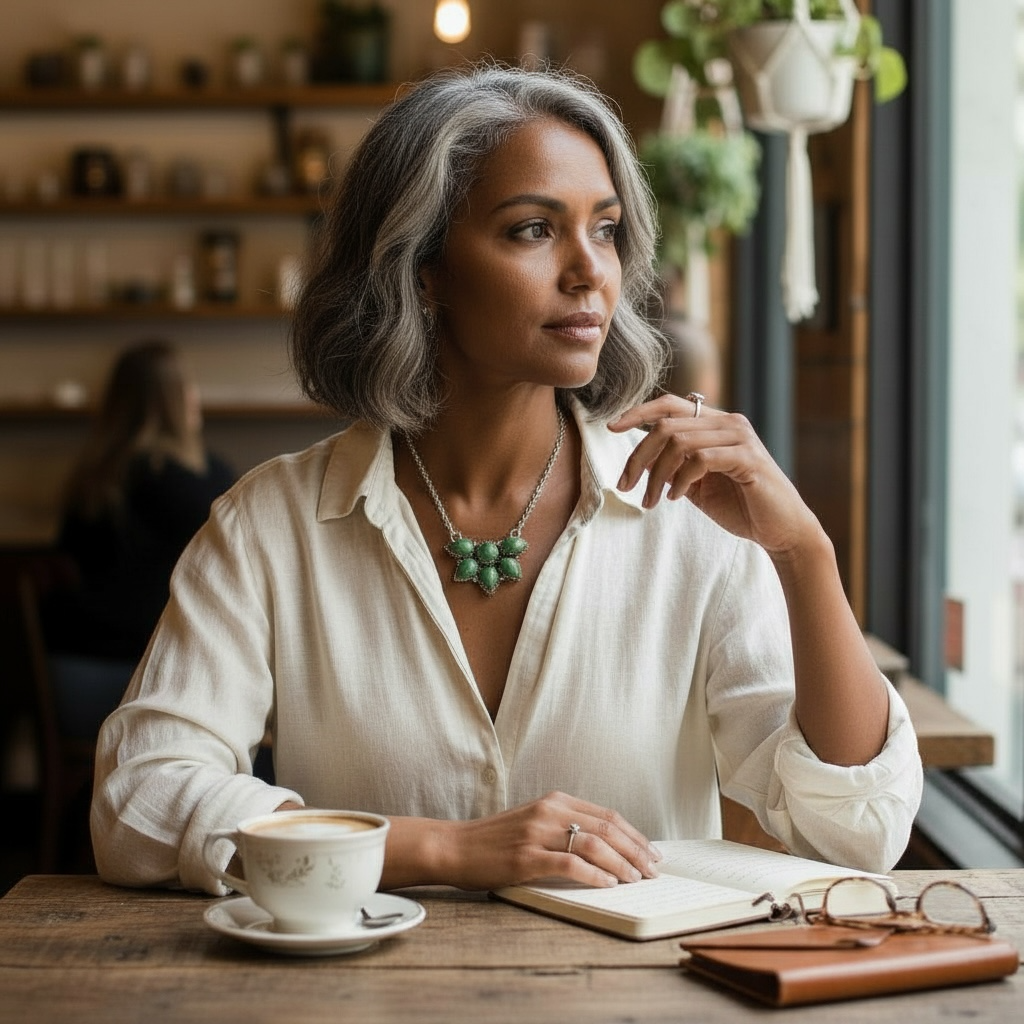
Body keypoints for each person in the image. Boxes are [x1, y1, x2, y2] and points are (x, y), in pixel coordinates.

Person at [91, 64, 922, 896]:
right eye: (533, 230)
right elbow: (139, 802)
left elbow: (857, 832)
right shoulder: (270, 525)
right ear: (424, 269)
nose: (589, 270)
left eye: (605, 229)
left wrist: (803, 550)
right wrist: (443, 850)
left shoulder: (691, 516)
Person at [45, 340, 235, 664]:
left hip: (80, 656)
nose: (194, 395)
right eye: (186, 386)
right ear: (170, 400)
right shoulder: (205, 481)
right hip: (163, 657)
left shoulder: (94, 474)